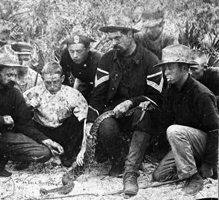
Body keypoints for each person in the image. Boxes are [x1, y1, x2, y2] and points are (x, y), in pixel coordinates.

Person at [0, 44, 61, 191]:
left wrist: (46, 140)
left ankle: (0, 161)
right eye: (9, 75)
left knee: (43, 153)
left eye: (15, 75)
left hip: (4, 137)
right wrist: (1, 119)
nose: (14, 79)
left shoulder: (14, 93)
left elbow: (25, 125)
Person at [86, 24, 163, 196]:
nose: (113, 43)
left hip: (141, 111)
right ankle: (118, 160)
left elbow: (157, 97)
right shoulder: (106, 59)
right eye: (110, 39)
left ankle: (130, 173)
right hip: (114, 111)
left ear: (130, 34)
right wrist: (90, 121)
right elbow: (98, 95)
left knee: (143, 115)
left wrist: (131, 102)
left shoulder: (151, 60)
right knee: (104, 126)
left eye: (117, 38)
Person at [152, 44, 219, 195]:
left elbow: (215, 130)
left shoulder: (201, 94)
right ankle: (193, 166)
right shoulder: (171, 92)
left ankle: (193, 177)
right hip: (187, 143)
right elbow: (165, 119)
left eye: (170, 68)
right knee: (159, 176)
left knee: (174, 130)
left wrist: (209, 164)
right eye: (164, 68)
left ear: (184, 68)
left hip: (206, 143)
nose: (165, 73)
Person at [23, 62, 88, 168]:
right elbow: (17, 108)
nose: (52, 86)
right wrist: (28, 105)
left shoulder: (73, 94)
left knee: (77, 121)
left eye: (55, 82)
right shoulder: (35, 92)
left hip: (63, 131)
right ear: (43, 79)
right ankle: (29, 154)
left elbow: (85, 120)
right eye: (48, 82)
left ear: (62, 78)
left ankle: (69, 152)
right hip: (42, 131)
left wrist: (84, 149)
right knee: (26, 119)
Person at [59, 34, 102, 101]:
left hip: (99, 84)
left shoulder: (98, 59)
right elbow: (62, 77)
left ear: (87, 49)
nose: (75, 55)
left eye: (79, 51)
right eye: (72, 51)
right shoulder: (65, 55)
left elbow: (102, 86)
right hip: (81, 80)